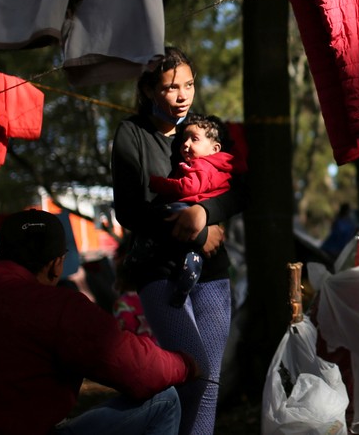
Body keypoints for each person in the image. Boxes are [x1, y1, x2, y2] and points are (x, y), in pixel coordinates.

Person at [0, 209, 196, 435]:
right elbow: (139, 369)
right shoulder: (56, 306)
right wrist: (186, 365)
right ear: (57, 264)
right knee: (165, 399)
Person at [111, 47, 245, 435]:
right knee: (195, 371)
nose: (183, 94)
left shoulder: (209, 128)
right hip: (161, 272)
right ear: (151, 89)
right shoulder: (132, 134)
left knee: (210, 382)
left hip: (213, 275)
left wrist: (207, 213)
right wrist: (195, 227)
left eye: (188, 84)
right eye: (171, 87)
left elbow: (242, 191)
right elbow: (129, 211)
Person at [148, 113, 237, 308]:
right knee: (192, 255)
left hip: (191, 206)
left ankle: (182, 287)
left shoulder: (204, 166)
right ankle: (184, 285)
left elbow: (188, 188)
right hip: (199, 212)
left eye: (194, 139)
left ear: (215, 149)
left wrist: (159, 184)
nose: (186, 144)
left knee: (163, 212)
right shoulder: (206, 164)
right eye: (184, 139)